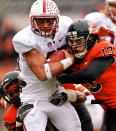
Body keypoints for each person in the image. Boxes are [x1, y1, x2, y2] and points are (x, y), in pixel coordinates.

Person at [12, 0, 87, 131]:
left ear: (57, 19)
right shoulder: (23, 39)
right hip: (34, 99)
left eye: (49, 21)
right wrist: (69, 60)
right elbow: (42, 74)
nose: (45, 25)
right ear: (32, 20)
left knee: (75, 128)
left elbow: (83, 39)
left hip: (56, 94)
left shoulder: (65, 25)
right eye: (40, 21)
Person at [57, 19, 116, 131]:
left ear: (90, 40)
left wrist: (62, 79)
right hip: (108, 109)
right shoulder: (75, 61)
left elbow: (91, 73)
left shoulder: (102, 47)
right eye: (72, 42)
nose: (74, 46)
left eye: (79, 41)